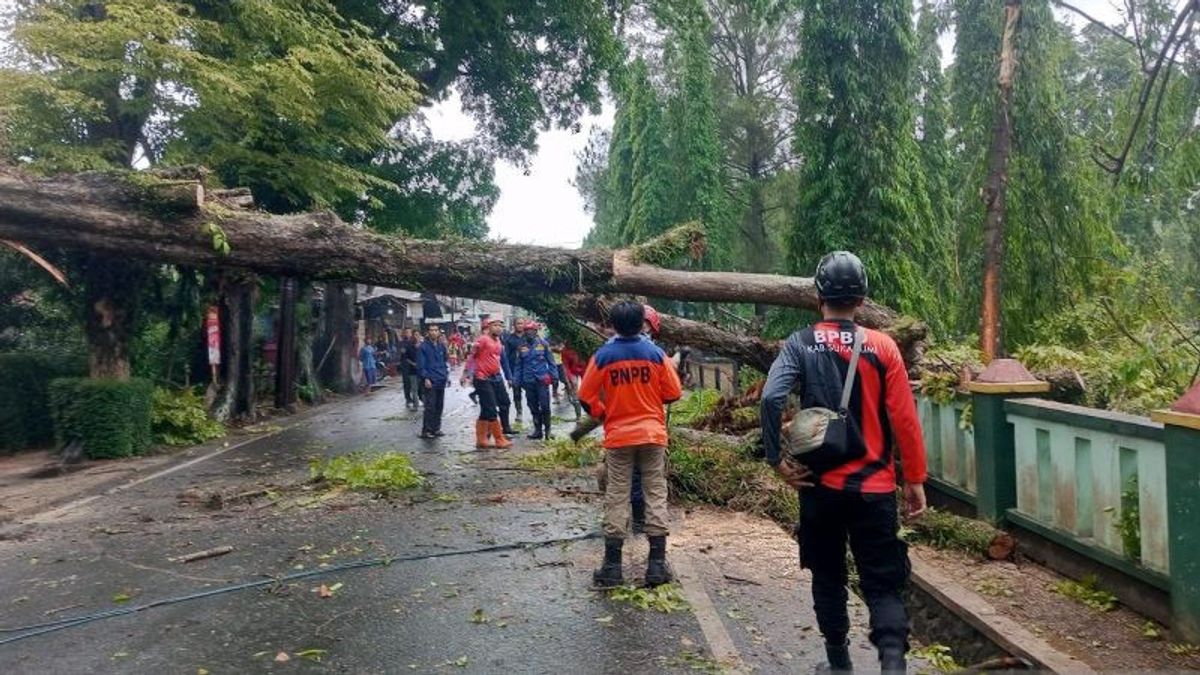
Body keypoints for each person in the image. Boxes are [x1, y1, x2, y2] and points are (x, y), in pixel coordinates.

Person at [759, 251, 928, 675]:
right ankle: (893, 665)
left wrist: (776, 458)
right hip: (874, 489)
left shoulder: (800, 343)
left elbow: (770, 397)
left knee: (827, 575)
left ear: (819, 295)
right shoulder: (884, 346)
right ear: (862, 298)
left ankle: (839, 664)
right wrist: (915, 479)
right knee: (883, 582)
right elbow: (904, 419)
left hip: (821, 489)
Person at [578, 301, 682, 588]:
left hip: (619, 438)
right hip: (652, 436)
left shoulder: (603, 355)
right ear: (641, 323)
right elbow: (673, 392)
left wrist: (603, 413)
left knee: (617, 495)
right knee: (655, 493)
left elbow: (585, 395)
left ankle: (612, 568)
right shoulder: (656, 354)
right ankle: (657, 566)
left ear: (612, 324)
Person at [471, 317, 514, 449]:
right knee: (490, 408)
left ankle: (481, 439)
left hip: (496, 377)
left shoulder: (499, 341)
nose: (498, 328)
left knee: (504, 402)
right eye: (495, 325)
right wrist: (467, 374)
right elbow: (472, 357)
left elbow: (503, 361)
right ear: (488, 327)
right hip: (482, 378)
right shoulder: (482, 340)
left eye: (500, 325)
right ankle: (499, 438)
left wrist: (508, 377)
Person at [515, 321, 557, 440]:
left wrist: (554, 377)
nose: (529, 333)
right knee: (532, 406)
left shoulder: (543, 344)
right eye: (526, 330)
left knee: (545, 406)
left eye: (531, 330)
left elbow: (551, 362)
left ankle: (548, 431)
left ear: (535, 331)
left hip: (542, 380)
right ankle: (538, 430)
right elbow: (518, 366)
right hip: (528, 381)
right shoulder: (521, 347)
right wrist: (516, 381)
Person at [416, 324, 450, 439]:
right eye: (432, 330)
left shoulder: (441, 346)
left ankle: (436, 428)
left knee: (439, 405)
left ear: (439, 332)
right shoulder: (423, 347)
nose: (434, 332)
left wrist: (447, 376)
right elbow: (421, 364)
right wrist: (426, 378)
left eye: (436, 330)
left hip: (441, 379)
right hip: (430, 380)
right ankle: (426, 430)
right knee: (430, 406)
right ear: (428, 332)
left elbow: (445, 362)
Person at [503, 322, 524, 421]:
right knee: (516, 391)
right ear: (514, 326)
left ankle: (535, 411)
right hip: (514, 369)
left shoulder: (527, 337)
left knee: (532, 391)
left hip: (527, 368)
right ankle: (519, 411)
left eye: (521, 324)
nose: (520, 325)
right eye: (518, 324)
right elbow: (505, 357)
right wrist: (509, 376)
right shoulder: (509, 339)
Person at [399, 328, 421, 410]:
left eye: (409, 332)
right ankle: (408, 399)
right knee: (407, 384)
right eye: (406, 332)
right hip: (406, 367)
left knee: (418, 385)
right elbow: (403, 355)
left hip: (416, 368)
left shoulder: (415, 343)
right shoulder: (403, 343)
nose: (408, 334)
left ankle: (419, 399)